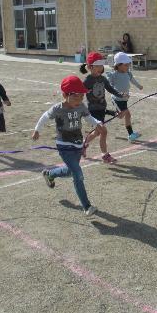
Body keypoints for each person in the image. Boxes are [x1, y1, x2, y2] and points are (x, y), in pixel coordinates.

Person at [32, 75, 103, 217]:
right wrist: (37, 130)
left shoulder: (81, 106)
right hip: (64, 146)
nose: (79, 100)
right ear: (65, 95)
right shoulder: (58, 109)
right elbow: (45, 117)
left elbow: (88, 117)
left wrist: (97, 123)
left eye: (81, 96)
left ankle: (49, 174)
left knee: (71, 171)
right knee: (78, 174)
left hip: (77, 144)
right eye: (75, 97)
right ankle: (87, 206)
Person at [80, 52, 126, 163]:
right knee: (103, 131)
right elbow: (79, 92)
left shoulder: (103, 79)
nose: (101, 68)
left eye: (101, 65)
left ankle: (83, 145)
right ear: (90, 67)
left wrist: (121, 95)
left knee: (97, 132)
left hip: (101, 110)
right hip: (92, 111)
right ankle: (105, 156)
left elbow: (110, 89)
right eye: (98, 66)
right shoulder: (88, 80)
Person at [106, 52, 143, 142]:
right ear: (118, 65)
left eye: (128, 65)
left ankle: (131, 135)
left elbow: (132, 80)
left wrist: (139, 86)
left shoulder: (128, 73)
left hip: (124, 99)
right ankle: (105, 111)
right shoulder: (113, 75)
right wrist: (120, 93)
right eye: (126, 65)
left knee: (125, 115)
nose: (128, 67)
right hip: (117, 99)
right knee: (122, 115)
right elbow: (109, 87)